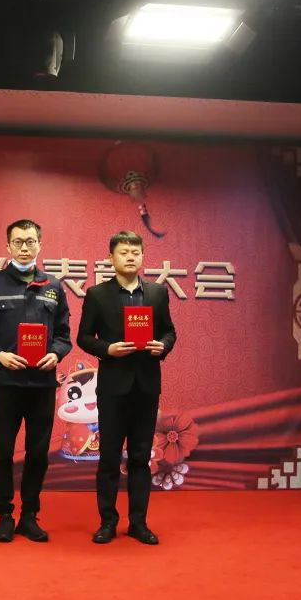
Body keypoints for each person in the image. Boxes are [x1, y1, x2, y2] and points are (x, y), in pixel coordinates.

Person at [0, 219, 71, 542]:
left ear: (40, 244)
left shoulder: (54, 286)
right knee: (3, 452)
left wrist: (56, 353)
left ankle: (29, 515)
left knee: (38, 454)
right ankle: (5, 515)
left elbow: (64, 335)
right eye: (18, 242)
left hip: (42, 385)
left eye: (30, 241)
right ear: (8, 246)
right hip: (5, 383)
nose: (24, 247)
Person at [77, 230, 177, 545]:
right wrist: (107, 349)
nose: (130, 257)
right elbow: (83, 337)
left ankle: (138, 523)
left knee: (139, 458)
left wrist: (162, 346)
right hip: (112, 387)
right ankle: (107, 522)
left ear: (142, 256)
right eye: (124, 252)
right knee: (108, 457)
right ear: (111, 258)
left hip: (146, 386)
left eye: (135, 252)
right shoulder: (97, 294)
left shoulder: (157, 293)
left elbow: (170, 332)